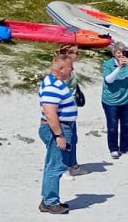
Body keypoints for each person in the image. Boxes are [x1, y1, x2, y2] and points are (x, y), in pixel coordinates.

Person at [37, 52, 77, 214]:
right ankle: (51, 202)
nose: (72, 70)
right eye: (70, 68)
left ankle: (48, 198)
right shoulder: (52, 87)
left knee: (54, 165)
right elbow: (50, 113)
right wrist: (59, 135)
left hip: (60, 128)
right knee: (55, 166)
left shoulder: (54, 82)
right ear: (61, 69)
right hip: (57, 129)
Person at [101, 42, 128, 159]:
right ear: (114, 53)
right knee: (112, 126)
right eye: (118, 53)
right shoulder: (108, 64)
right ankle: (113, 148)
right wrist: (119, 67)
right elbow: (109, 79)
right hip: (111, 101)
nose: (121, 55)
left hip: (126, 99)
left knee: (126, 124)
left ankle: (126, 147)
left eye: (123, 53)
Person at [56, 44, 84, 176]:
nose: (78, 56)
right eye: (75, 53)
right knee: (66, 139)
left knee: (73, 138)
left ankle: (74, 165)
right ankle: (65, 168)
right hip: (64, 110)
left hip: (72, 109)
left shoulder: (71, 71)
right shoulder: (63, 72)